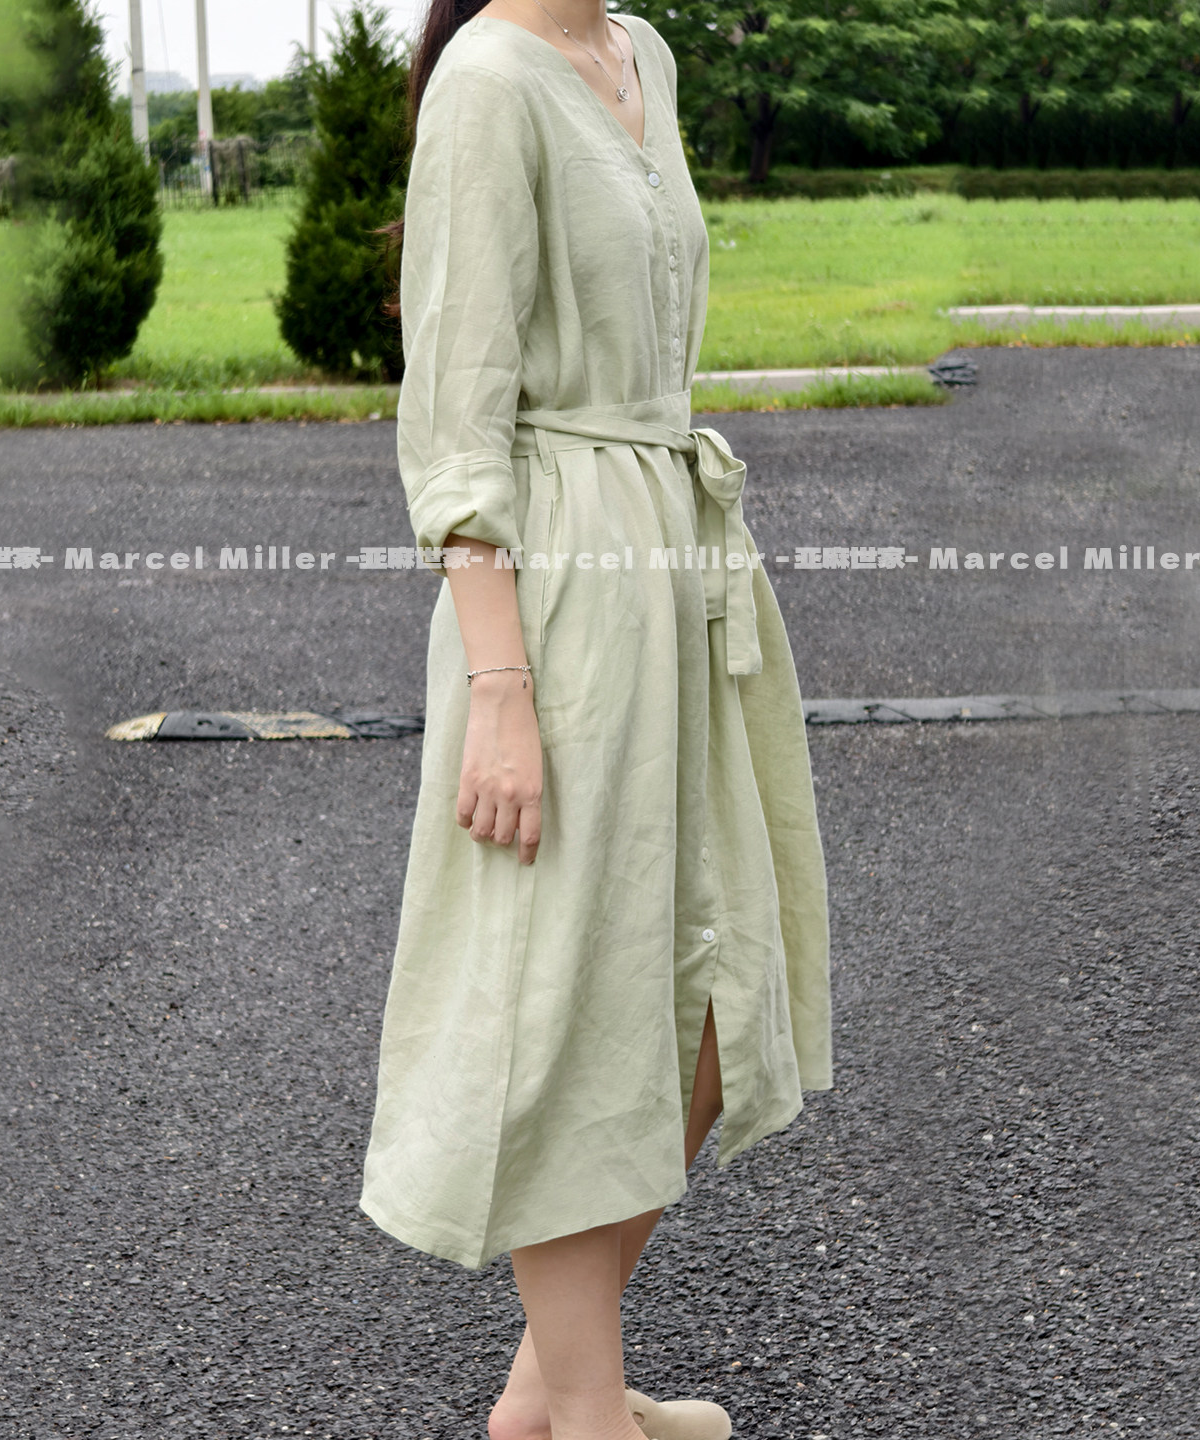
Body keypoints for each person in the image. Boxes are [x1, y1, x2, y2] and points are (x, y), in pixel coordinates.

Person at [359, 1, 833, 1437]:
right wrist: (501, 690)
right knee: (571, 1013)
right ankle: (584, 1413)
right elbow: (455, 422)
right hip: (559, 597)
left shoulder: (643, 53)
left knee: (714, 986)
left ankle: (542, 1402)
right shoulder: (488, 83)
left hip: (673, 565)